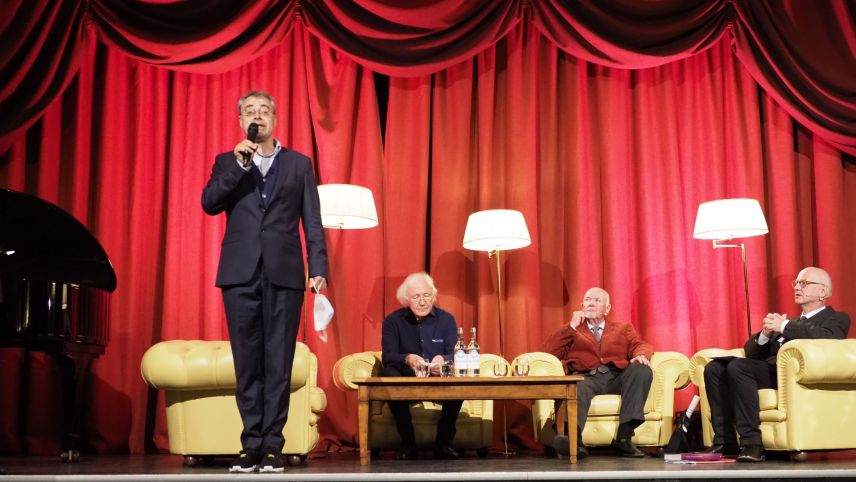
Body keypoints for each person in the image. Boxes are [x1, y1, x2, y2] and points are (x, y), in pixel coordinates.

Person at [201, 90, 328, 473]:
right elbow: (209, 203)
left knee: (278, 362)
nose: (258, 116)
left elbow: (313, 220)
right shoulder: (228, 161)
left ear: (275, 118)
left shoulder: (298, 164)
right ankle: (249, 444)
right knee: (248, 362)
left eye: (264, 111)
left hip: (285, 273)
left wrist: (318, 266)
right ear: (241, 121)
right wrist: (238, 167)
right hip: (240, 274)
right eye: (250, 112)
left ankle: (273, 444)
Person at [702, 266, 850, 463]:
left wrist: (784, 326)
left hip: (794, 376)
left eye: (804, 283)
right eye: (796, 283)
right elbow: (751, 352)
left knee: (739, 367)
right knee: (714, 368)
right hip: (767, 369)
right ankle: (725, 441)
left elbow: (827, 339)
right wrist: (765, 333)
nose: (797, 287)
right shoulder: (789, 321)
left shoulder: (836, 318)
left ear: (823, 291)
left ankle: (752, 442)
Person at [543, 287, 654, 459]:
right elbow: (549, 352)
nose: (591, 303)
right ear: (581, 305)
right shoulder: (573, 330)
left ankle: (624, 439)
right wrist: (571, 326)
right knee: (576, 386)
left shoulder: (622, 328)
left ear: (607, 308)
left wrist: (640, 355)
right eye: (587, 300)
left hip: (616, 376)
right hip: (586, 377)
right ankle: (574, 443)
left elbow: (641, 344)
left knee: (642, 369)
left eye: (597, 300)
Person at [381, 272, 462, 461]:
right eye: (416, 296)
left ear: (433, 296)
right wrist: (408, 358)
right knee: (389, 373)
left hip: (439, 375)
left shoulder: (447, 320)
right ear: (406, 299)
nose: (422, 301)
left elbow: (456, 353)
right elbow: (388, 356)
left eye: (426, 295)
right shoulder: (393, 321)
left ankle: (443, 444)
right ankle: (408, 444)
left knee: (459, 379)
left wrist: (443, 359)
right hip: (406, 376)